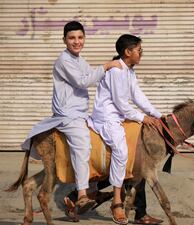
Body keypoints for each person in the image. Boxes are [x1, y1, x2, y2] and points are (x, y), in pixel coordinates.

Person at [21, 21, 121, 214]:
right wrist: (108, 65)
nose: (77, 42)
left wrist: (117, 73)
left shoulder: (80, 61)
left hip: (81, 114)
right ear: (64, 40)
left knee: (101, 139)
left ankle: (93, 189)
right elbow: (83, 81)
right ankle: (82, 194)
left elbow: (94, 75)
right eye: (72, 38)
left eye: (80, 37)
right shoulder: (64, 61)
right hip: (68, 116)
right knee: (82, 144)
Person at [88, 34, 164, 225]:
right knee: (121, 152)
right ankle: (116, 203)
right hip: (107, 118)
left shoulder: (129, 71)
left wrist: (157, 115)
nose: (141, 54)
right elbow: (121, 103)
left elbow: (137, 95)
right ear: (128, 52)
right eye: (139, 50)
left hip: (119, 117)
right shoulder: (116, 71)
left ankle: (139, 211)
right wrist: (142, 117)